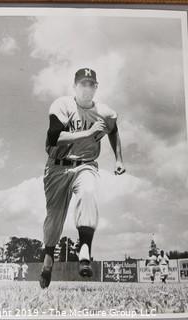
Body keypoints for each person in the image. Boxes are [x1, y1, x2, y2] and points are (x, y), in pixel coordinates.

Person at [39, 68, 126, 289]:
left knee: (88, 193)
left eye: (91, 84)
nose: (87, 88)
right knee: (54, 217)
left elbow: (113, 130)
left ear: (96, 87)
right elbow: (54, 136)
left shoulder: (105, 113)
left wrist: (119, 159)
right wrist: (88, 133)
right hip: (57, 167)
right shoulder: (62, 105)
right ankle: (49, 256)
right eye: (82, 84)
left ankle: (84, 247)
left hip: (85, 165)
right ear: (75, 86)